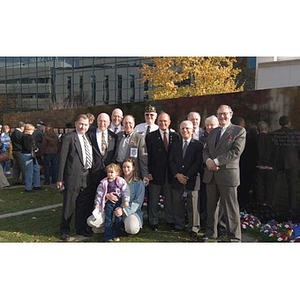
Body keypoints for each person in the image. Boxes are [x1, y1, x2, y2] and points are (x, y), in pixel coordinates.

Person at [201, 105, 246, 242]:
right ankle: (211, 234)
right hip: (211, 174)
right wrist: (208, 160)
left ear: (231, 114)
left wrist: (216, 161)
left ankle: (234, 238)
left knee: (230, 209)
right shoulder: (213, 132)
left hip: (227, 175)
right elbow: (206, 149)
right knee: (211, 207)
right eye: (219, 114)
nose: (222, 117)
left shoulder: (239, 131)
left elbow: (236, 152)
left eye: (225, 114)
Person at [57, 114, 93, 241]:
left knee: (82, 204)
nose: (83, 126)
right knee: (69, 203)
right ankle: (64, 230)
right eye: (81, 124)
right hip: (73, 176)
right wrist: (60, 178)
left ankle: (80, 228)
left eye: (86, 124)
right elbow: (62, 159)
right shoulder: (69, 137)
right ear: (76, 123)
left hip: (86, 175)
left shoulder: (87, 137)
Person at [145, 112, 180, 231]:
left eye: (165, 121)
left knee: (169, 198)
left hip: (170, 174)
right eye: (160, 121)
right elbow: (147, 156)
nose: (163, 123)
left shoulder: (176, 137)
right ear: (157, 122)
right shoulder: (150, 136)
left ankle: (169, 220)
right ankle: (153, 221)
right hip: (155, 173)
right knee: (153, 199)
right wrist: (148, 172)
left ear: (169, 122)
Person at [169, 120, 203, 234]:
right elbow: (171, 161)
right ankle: (179, 225)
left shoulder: (198, 145)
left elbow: (197, 163)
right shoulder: (175, 144)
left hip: (192, 180)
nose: (185, 130)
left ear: (193, 130)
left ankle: (194, 227)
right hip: (177, 179)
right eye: (183, 128)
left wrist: (187, 176)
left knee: (192, 205)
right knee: (177, 203)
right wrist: (177, 175)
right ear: (179, 130)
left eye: (187, 128)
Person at [86, 112, 118, 220]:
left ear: (109, 123)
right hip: (93, 172)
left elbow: (114, 154)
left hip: (108, 173)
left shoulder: (113, 136)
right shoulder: (90, 134)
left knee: (107, 196)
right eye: (100, 120)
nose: (102, 123)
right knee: (92, 196)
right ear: (97, 121)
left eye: (105, 121)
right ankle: (92, 219)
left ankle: (106, 220)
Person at [93, 163, 130, 242]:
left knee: (118, 219)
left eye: (112, 172)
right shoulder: (104, 183)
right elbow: (99, 194)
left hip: (118, 203)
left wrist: (126, 200)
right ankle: (108, 236)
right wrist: (97, 203)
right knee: (108, 220)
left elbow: (126, 190)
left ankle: (116, 235)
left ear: (117, 173)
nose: (110, 174)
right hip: (108, 203)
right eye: (108, 172)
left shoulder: (120, 181)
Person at [272, 115, 300, 212]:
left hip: (278, 161)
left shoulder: (275, 134)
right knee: (292, 184)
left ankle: (273, 203)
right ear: (289, 123)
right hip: (292, 162)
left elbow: (273, 149)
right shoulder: (295, 134)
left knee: (276, 183)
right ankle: (292, 205)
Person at [114, 158, 145, 235]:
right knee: (95, 225)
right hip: (115, 208)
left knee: (132, 229)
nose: (126, 169)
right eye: (124, 167)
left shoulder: (139, 183)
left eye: (128, 167)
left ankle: (125, 224)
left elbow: (138, 202)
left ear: (133, 168)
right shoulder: (116, 180)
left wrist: (123, 210)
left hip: (131, 211)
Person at [116, 115, 149, 183]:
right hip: (119, 172)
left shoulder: (139, 138)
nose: (128, 125)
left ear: (134, 124)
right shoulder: (118, 136)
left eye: (130, 123)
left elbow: (143, 159)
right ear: (122, 124)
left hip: (133, 174)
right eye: (125, 123)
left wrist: (145, 175)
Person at [253, 121, 278, 211]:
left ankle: (260, 203)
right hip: (270, 168)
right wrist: (271, 164)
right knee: (270, 187)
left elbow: (253, 154)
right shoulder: (272, 139)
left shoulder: (254, 139)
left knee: (259, 187)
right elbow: (275, 153)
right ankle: (269, 203)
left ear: (258, 129)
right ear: (267, 128)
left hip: (258, 167)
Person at [21, 124, 41, 192]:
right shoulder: (25, 137)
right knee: (29, 171)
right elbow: (27, 146)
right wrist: (34, 149)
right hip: (28, 154)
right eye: (32, 130)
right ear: (28, 130)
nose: (33, 131)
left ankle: (37, 185)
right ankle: (28, 187)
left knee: (36, 169)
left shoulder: (29, 136)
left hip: (31, 154)